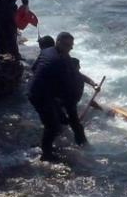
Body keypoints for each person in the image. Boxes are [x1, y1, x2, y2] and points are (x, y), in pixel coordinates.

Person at [27, 32, 100, 160]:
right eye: (67, 45)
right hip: (41, 95)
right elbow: (70, 85)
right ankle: (46, 155)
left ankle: (78, 143)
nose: (69, 48)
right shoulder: (60, 61)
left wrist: (92, 83)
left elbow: (34, 69)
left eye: (71, 46)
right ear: (58, 42)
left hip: (45, 92)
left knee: (65, 122)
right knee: (53, 126)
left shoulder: (49, 51)